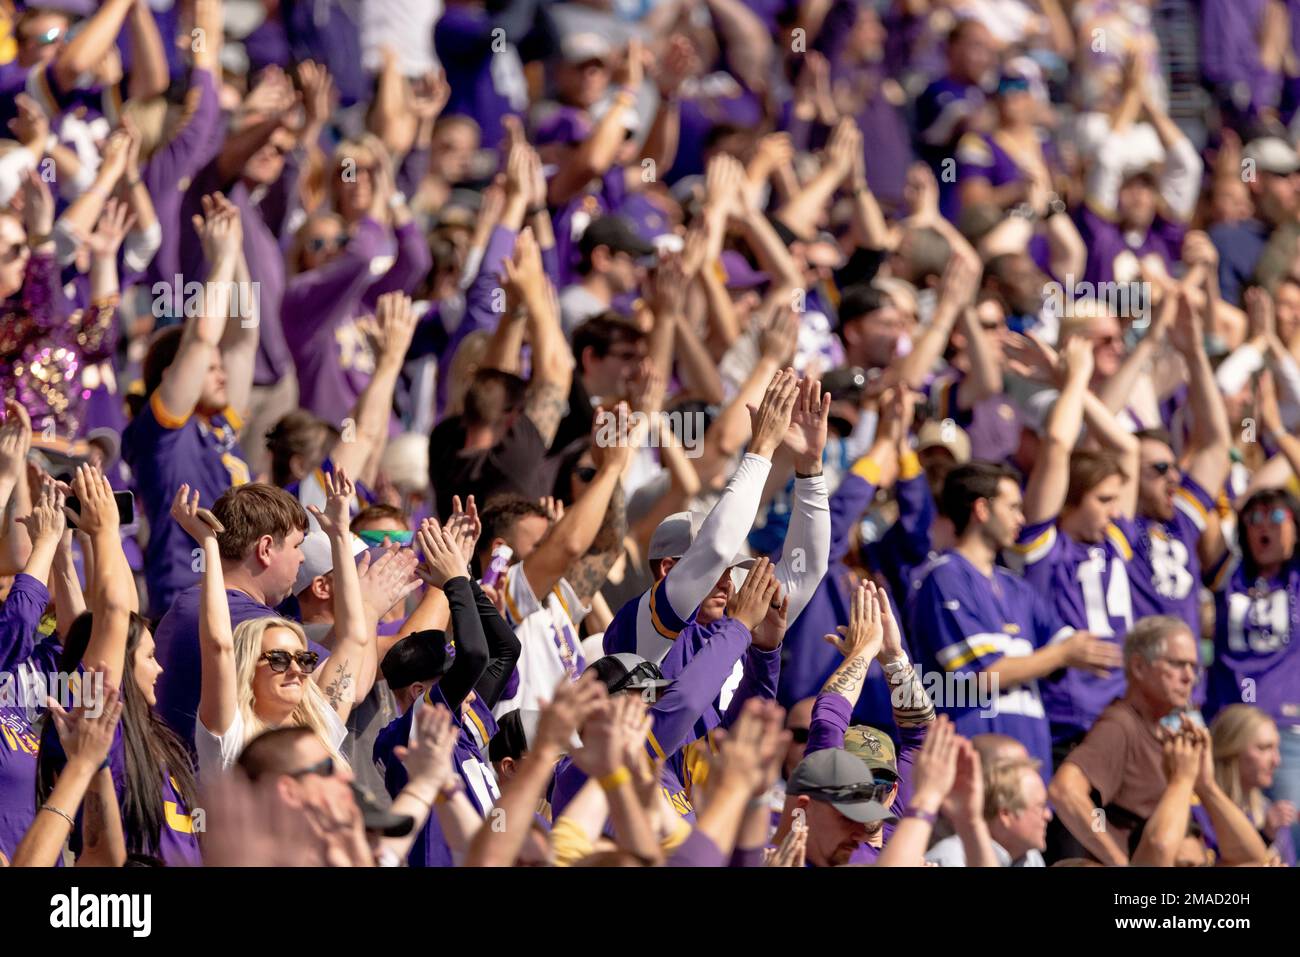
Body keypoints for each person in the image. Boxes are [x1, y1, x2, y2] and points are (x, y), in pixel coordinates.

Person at [170, 471, 386, 778]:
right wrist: (209, 546)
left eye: (306, 659)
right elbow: (218, 646)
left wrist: (339, 534)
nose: (298, 669)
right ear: (266, 547)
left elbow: (354, 642)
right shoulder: (233, 745)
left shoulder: (318, 730)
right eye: (279, 658)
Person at [37, 465, 201, 866]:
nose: (159, 669)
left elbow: (120, 618)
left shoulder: (153, 737)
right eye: (148, 658)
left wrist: (90, 541)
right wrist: (105, 531)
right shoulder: (97, 720)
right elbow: (115, 613)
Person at [908, 461, 1120, 772]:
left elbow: (1067, 642)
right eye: (1013, 508)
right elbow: (981, 676)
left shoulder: (1016, 586)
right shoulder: (945, 577)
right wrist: (1063, 654)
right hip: (976, 754)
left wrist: (1080, 651)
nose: (1021, 519)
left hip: (1031, 754)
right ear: (981, 509)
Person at [1048, 615, 1201, 864]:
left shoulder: (1159, 730)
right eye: (1177, 664)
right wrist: (1117, 860)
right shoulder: (1120, 726)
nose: (1188, 677)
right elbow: (1065, 789)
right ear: (1139, 666)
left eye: (1194, 667)